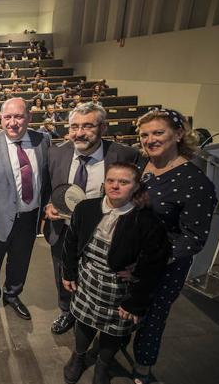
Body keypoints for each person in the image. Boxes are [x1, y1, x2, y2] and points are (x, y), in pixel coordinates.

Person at [61, 163, 170, 384]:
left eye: (124, 182)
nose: (115, 186)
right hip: (88, 279)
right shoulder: (86, 208)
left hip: (119, 289)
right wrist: (69, 273)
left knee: (114, 331)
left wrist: (136, 300)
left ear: (136, 186)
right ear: (104, 183)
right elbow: (70, 242)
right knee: (83, 320)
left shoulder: (146, 221)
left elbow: (154, 264)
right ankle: (78, 357)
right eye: (111, 181)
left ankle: (103, 366)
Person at [131, 109, 216, 384]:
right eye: (145, 134)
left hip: (163, 267)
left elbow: (193, 238)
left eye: (158, 133)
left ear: (179, 134)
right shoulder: (139, 166)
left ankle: (142, 370)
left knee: (151, 320)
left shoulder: (196, 182)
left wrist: (150, 261)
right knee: (127, 310)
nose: (150, 139)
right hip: (130, 259)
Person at [44, 102, 139, 335]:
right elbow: (48, 188)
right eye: (74, 126)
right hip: (64, 230)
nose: (79, 133)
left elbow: (135, 196)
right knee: (63, 274)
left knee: (101, 277)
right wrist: (48, 206)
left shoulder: (125, 155)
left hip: (105, 234)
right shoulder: (56, 153)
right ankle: (66, 311)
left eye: (87, 126)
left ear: (103, 128)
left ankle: (99, 317)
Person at [0, 98, 50, 320]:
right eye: (7, 117)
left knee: (21, 260)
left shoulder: (43, 141)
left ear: (29, 118)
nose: (12, 123)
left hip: (29, 217)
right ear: (0, 119)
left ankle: (13, 295)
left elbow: (48, 180)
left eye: (18, 116)